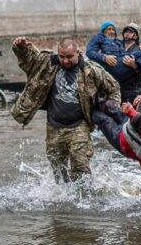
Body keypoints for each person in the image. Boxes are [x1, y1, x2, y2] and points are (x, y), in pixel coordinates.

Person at [11, 36, 120, 183]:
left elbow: (114, 88)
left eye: (69, 57)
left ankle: (86, 201)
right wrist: (21, 48)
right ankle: (65, 201)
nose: (65, 61)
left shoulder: (91, 70)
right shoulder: (48, 63)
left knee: (80, 168)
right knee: (59, 172)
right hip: (53, 127)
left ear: (78, 53)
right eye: (62, 56)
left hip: (79, 126)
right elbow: (28, 61)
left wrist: (112, 109)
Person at [86, 21, 141, 103]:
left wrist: (135, 66)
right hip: (114, 70)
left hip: (131, 88)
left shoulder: (136, 47)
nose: (111, 31)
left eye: (113, 29)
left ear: (135, 36)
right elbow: (89, 52)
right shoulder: (105, 39)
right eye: (108, 29)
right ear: (103, 31)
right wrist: (104, 57)